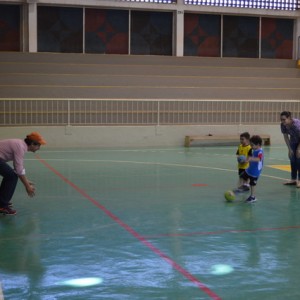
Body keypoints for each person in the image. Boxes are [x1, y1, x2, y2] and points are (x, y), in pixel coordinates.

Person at [0, 132, 46, 215]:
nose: (39, 148)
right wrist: (27, 186)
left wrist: (26, 180)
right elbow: (18, 168)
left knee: (10, 175)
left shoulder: (20, 144)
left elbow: (17, 167)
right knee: (11, 177)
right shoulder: (20, 147)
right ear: (32, 144)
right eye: (38, 145)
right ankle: (2, 205)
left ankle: (2, 201)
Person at [239, 135, 264, 203]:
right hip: (250, 169)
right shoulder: (255, 149)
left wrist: (251, 159)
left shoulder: (260, 151)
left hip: (255, 171)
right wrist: (247, 160)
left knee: (252, 184)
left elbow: (259, 159)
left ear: (258, 144)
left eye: (252, 145)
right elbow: (251, 157)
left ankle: (253, 197)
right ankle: (245, 187)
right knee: (243, 175)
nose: (251, 147)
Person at [280, 111, 300, 187]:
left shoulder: (296, 125)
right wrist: (289, 149)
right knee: (292, 159)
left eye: (284, 119)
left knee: (298, 160)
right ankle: (293, 179)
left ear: (289, 118)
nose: (282, 121)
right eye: (281, 119)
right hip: (293, 141)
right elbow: (285, 136)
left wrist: (298, 149)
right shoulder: (283, 125)